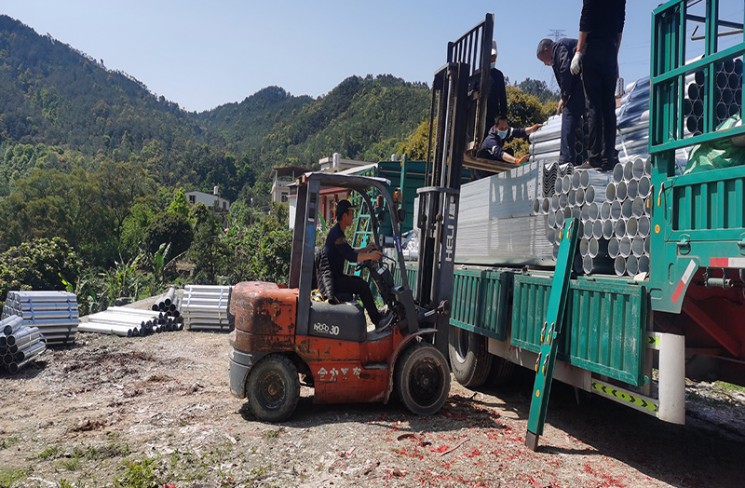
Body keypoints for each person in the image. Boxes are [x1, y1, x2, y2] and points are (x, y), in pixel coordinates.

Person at [570, 0, 626, 171]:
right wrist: (614, 55)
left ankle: (594, 158)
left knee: (593, 106)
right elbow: (619, 25)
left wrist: (578, 51)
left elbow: (586, 19)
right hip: (610, 49)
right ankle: (608, 157)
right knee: (608, 106)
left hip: (592, 48)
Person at [324, 199, 390, 327]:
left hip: (334, 278)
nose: (353, 217)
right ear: (344, 216)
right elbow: (351, 257)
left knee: (360, 284)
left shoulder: (338, 232)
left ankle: (376, 316)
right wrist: (370, 255)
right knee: (362, 286)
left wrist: (365, 250)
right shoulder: (337, 235)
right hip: (333, 281)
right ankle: (377, 320)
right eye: (351, 214)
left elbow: (349, 251)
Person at [536, 38, 586, 166]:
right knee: (589, 117)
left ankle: (566, 158)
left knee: (568, 115)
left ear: (547, 50)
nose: (545, 64)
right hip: (586, 81)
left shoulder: (559, 48)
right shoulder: (558, 52)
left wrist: (564, 97)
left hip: (582, 83)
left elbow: (565, 69)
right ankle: (592, 155)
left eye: (543, 60)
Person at [475, 116, 539, 178]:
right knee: (500, 155)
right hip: (482, 169)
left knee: (510, 151)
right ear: (495, 127)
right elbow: (500, 153)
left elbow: (520, 132)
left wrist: (533, 129)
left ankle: (504, 172)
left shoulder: (507, 131)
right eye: (501, 128)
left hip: (493, 164)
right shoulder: (491, 139)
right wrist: (516, 160)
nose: (504, 130)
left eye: (506, 128)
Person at [484, 41, 508, 139]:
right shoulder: (477, 74)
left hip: (493, 118)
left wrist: (503, 118)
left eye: (494, 56)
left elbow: (502, 98)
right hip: (478, 117)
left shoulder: (498, 75)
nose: (492, 59)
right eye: (490, 56)